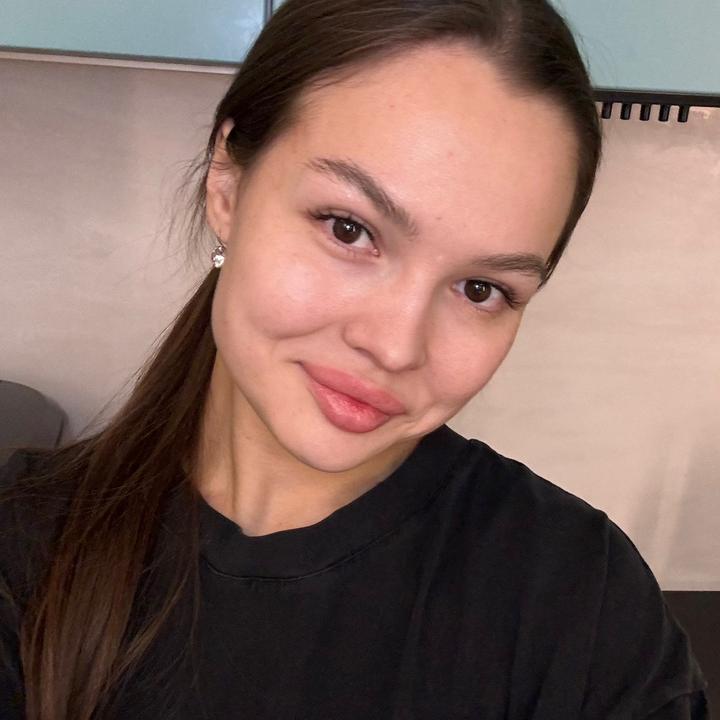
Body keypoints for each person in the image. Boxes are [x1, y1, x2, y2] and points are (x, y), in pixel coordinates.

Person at [0, 0, 710, 718]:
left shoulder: (582, 608)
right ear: (227, 183)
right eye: (349, 229)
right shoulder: (22, 546)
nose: (396, 347)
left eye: (481, 289)